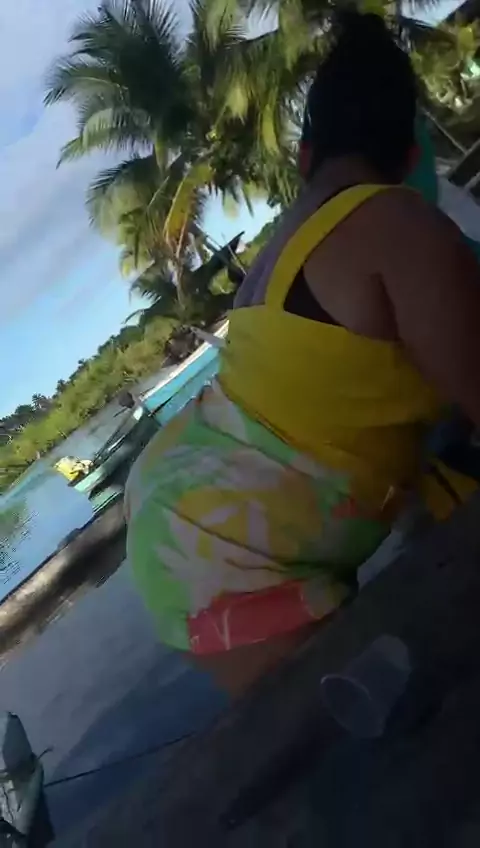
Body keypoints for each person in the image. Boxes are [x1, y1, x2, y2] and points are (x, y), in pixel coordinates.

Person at [125, 11, 480, 696]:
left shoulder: (279, 252)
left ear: (304, 157)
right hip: (225, 542)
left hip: (192, 515)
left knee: (366, 719)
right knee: (380, 715)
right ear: (410, 160)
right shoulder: (398, 225)